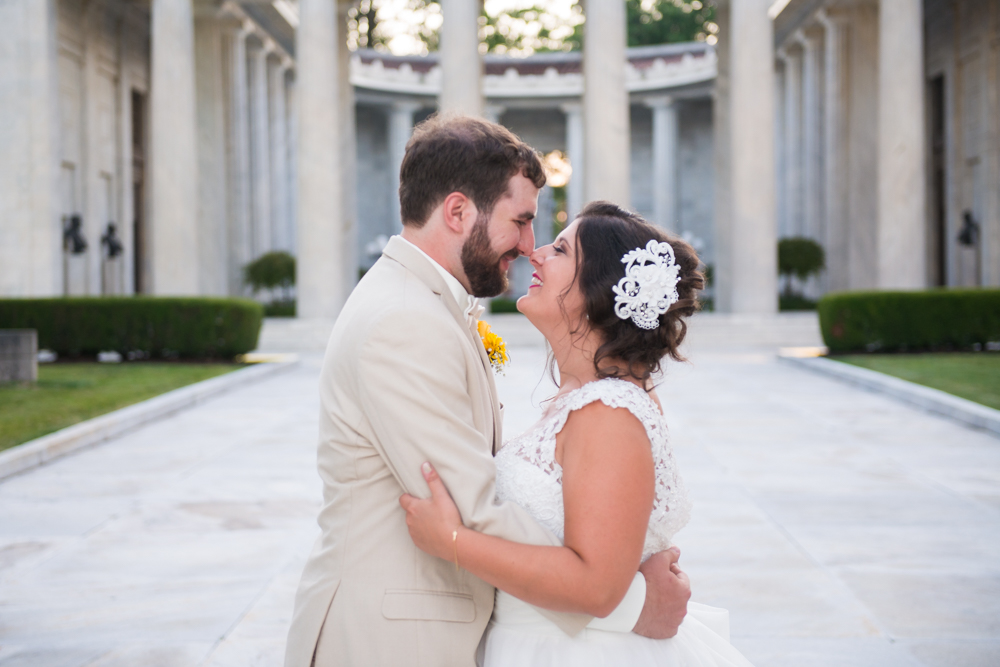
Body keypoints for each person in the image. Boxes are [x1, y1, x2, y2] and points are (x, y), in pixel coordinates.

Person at [283, 116, 691, 667]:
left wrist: (603, 580)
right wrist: (629, 603)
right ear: (457, 212)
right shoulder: (404, 320)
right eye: (521, 221)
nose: (529, 247)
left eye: (552, 242)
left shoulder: (422, 306)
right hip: (389, 641)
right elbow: (471, 509)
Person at [400, 202, 756, 666]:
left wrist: (450, 540)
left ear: (597, 291)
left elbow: (596, 587)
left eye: (562, 249)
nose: (538, 252)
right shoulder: (580, 399)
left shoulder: (608, 412)